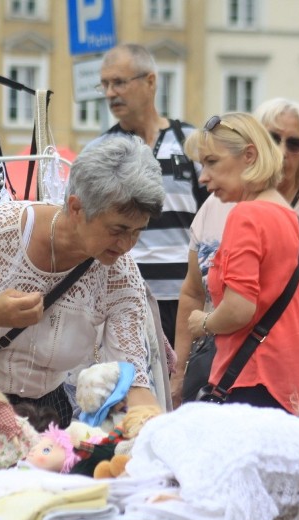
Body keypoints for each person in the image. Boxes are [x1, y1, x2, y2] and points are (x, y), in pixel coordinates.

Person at [0, 135, 165, 445]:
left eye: (137, 232)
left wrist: (158, 436)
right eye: (118, 230)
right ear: (76, 207)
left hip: (44, 416)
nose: (127, 245)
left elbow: (134, 376)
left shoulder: (120, 274)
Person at [172, 99, 299, 407]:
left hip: (250, 386)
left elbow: (239, 308)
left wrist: (203, 322)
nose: (202, 178)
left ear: (249, 156)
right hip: (297, 396)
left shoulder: (246, 216)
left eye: (212, 162)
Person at [86, 43, 204, 347]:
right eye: (106, 84)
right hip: (121, 299)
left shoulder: (193, 143)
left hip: (185, 301)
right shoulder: (98, 152)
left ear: (150, 81)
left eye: (119, 82)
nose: (110, 93)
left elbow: (216, 221)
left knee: (182, 389)